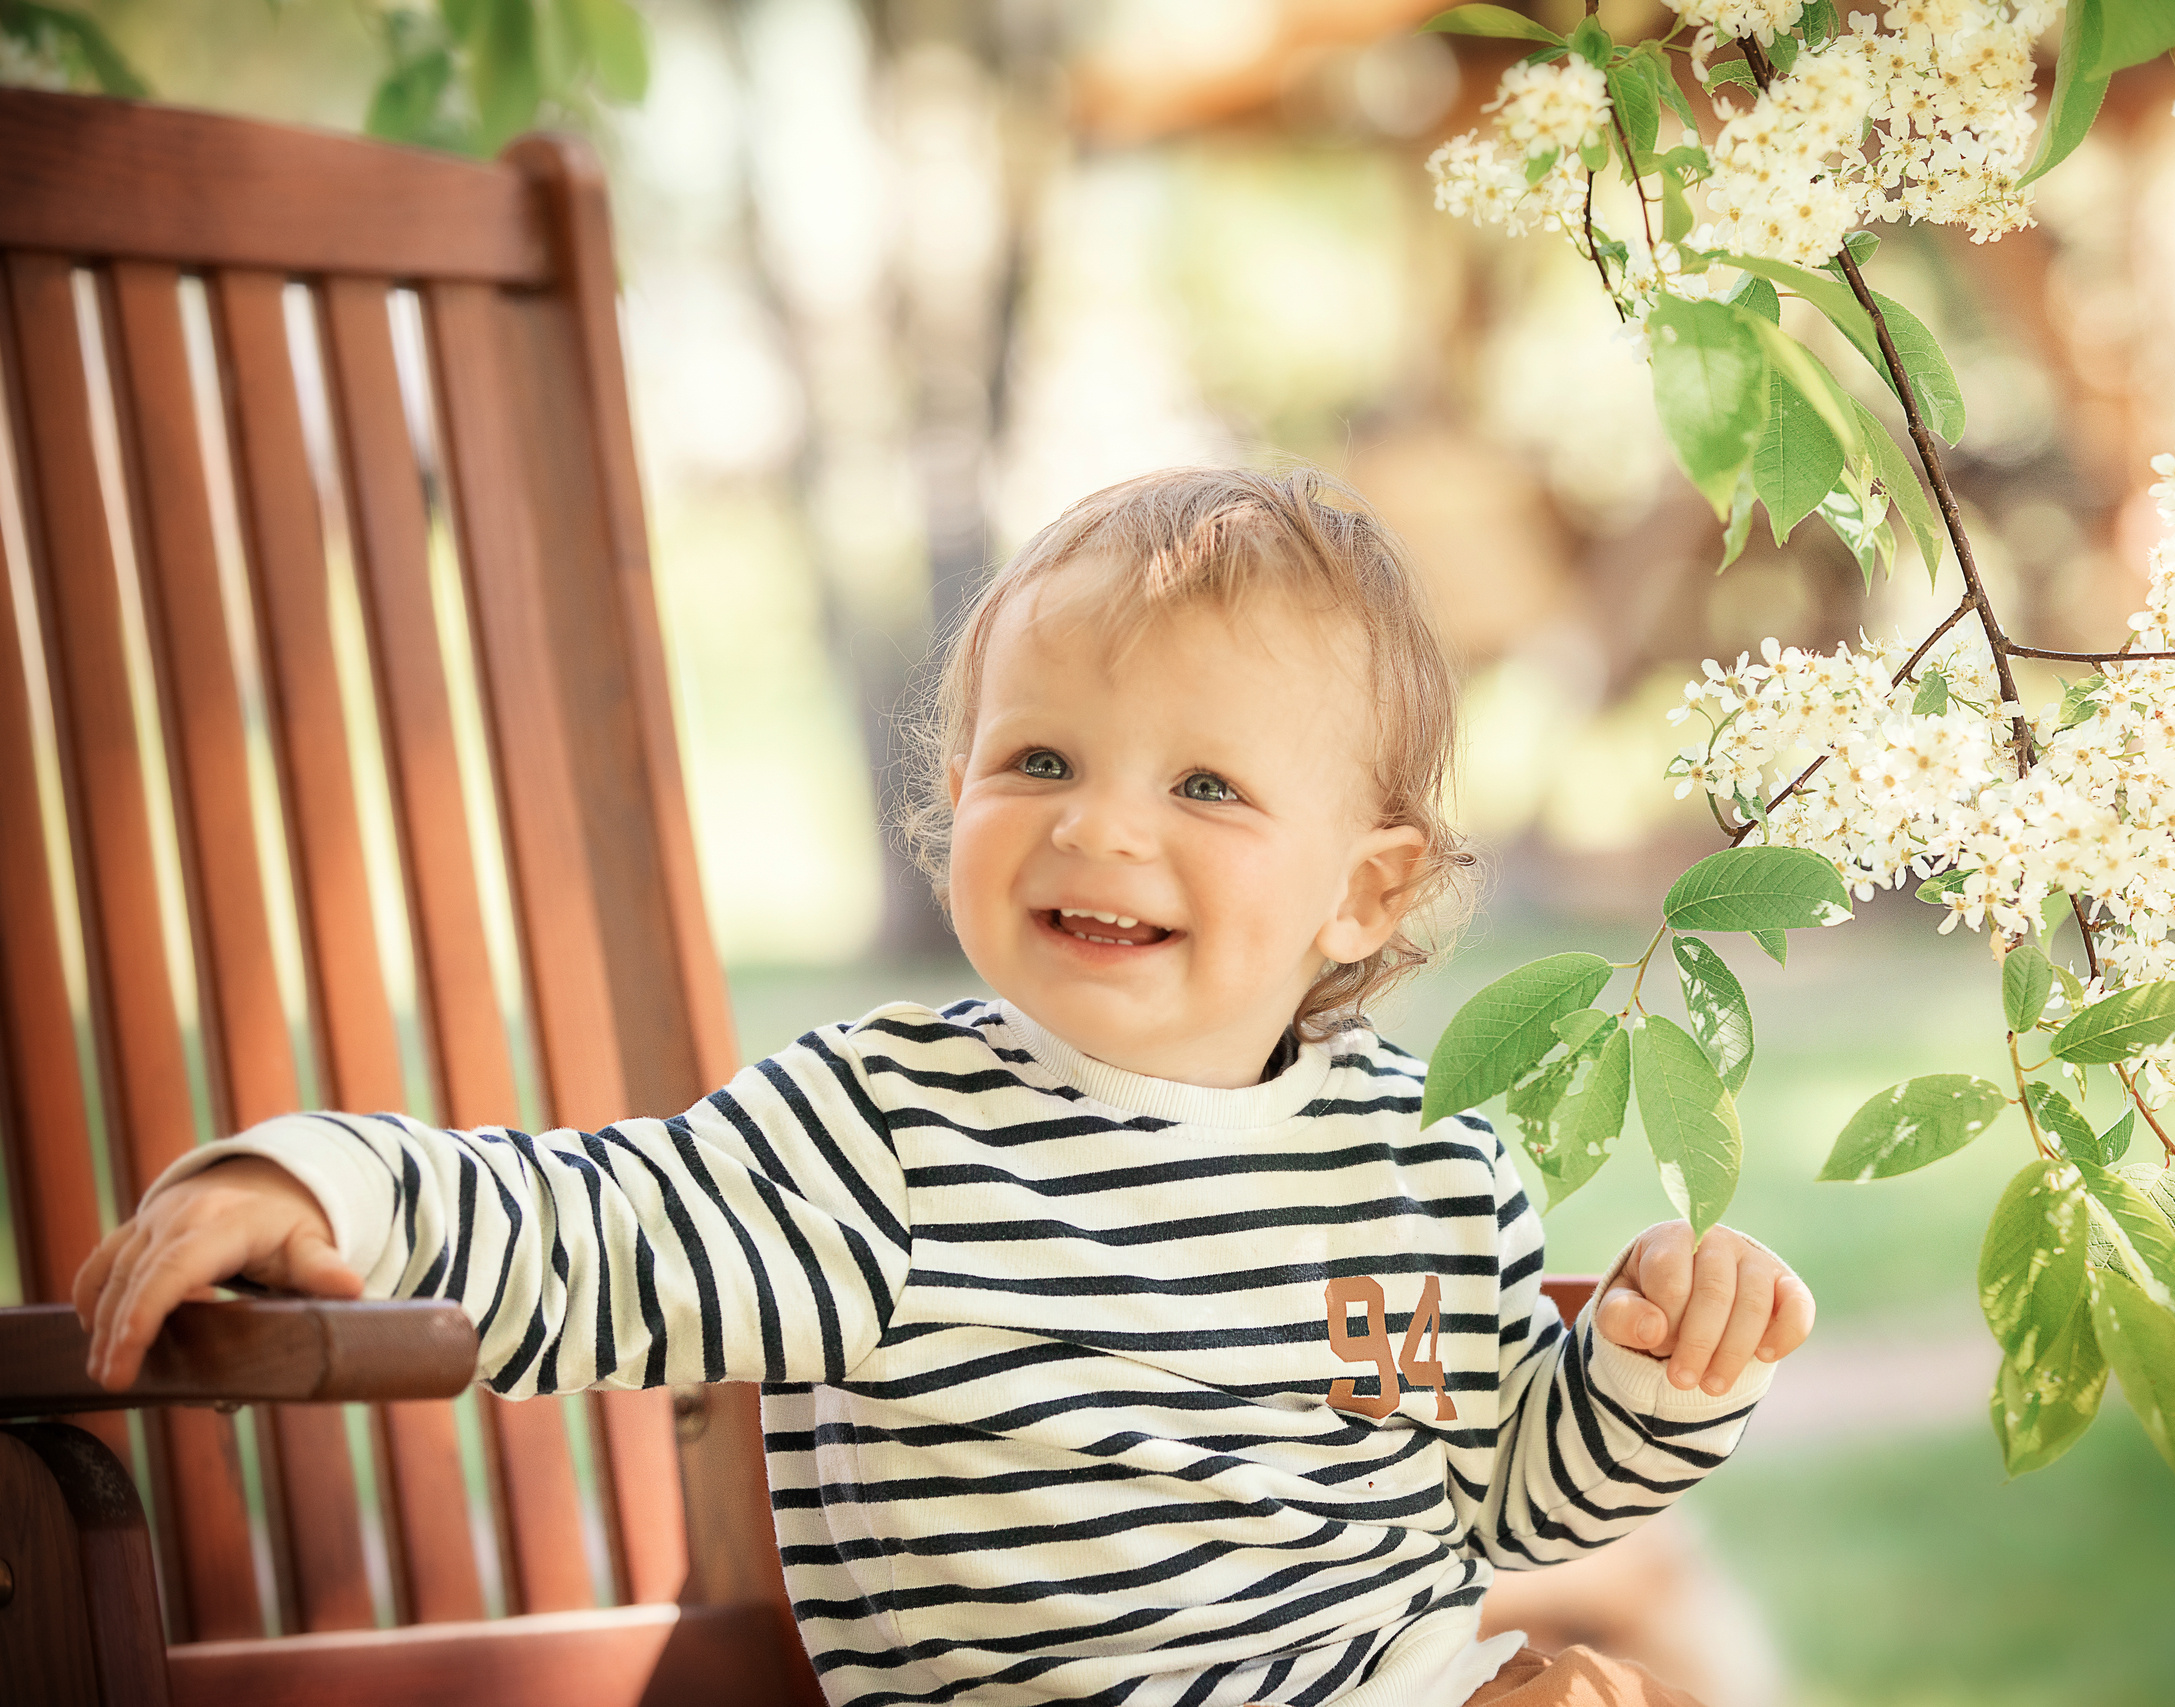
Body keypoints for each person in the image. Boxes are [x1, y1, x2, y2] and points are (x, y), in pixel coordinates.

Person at [76, 467, 1815, 1707]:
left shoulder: (1421, 1158)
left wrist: (1651, 1383)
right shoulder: (891, 1132)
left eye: (1204, 785)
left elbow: (1506, 1498)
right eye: (1037, 759)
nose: (1097, 822)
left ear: (1363, 890)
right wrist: (329, 1189)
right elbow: (599, 1222)